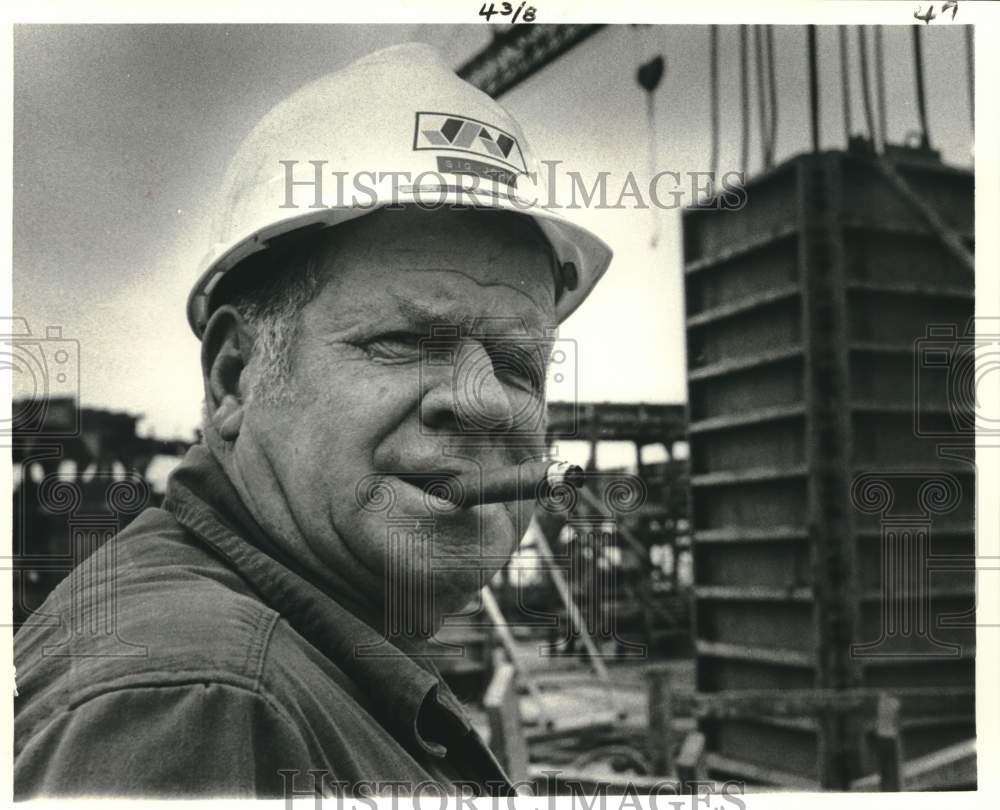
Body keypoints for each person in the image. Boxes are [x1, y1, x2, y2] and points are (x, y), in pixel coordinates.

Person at [13, 42, 612, 798]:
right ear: (235, 378)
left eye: (520, 365)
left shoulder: (288, 668)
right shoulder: (198, 704)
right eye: (402, 342)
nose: (489, 401)